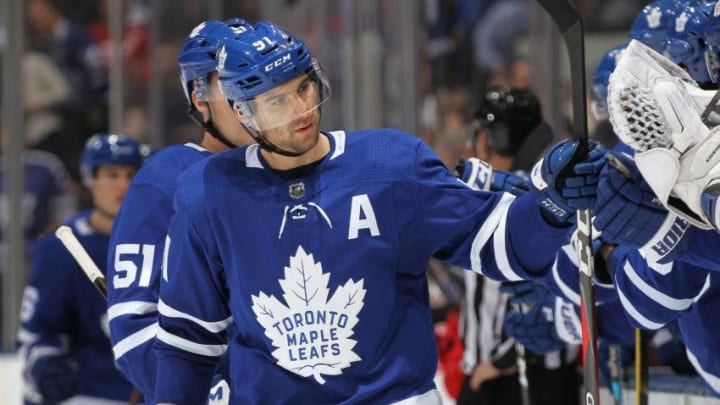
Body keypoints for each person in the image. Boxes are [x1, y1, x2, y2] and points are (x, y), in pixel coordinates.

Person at [153, 20, 607, 404]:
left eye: (304, 88)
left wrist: (552, 203)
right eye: (277, 101)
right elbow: (186, 342)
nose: (301, 111)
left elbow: (503, 244)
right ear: (242, 112)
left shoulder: (391, 164)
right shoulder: (209, 192)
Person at [106, 19, 255, 404]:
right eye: (233, 82)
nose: (251, 96)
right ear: (199, 96)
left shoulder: (294, 172)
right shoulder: (165, 180)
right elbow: (134, 327)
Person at [16, 134, 144, 405]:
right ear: (90, 181)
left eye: (131, 174)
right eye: (112, 175)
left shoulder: (164, 240)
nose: (124, 184)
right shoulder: (62, 247)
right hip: (88, 393)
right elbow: (38, 330)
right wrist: (47, 365)